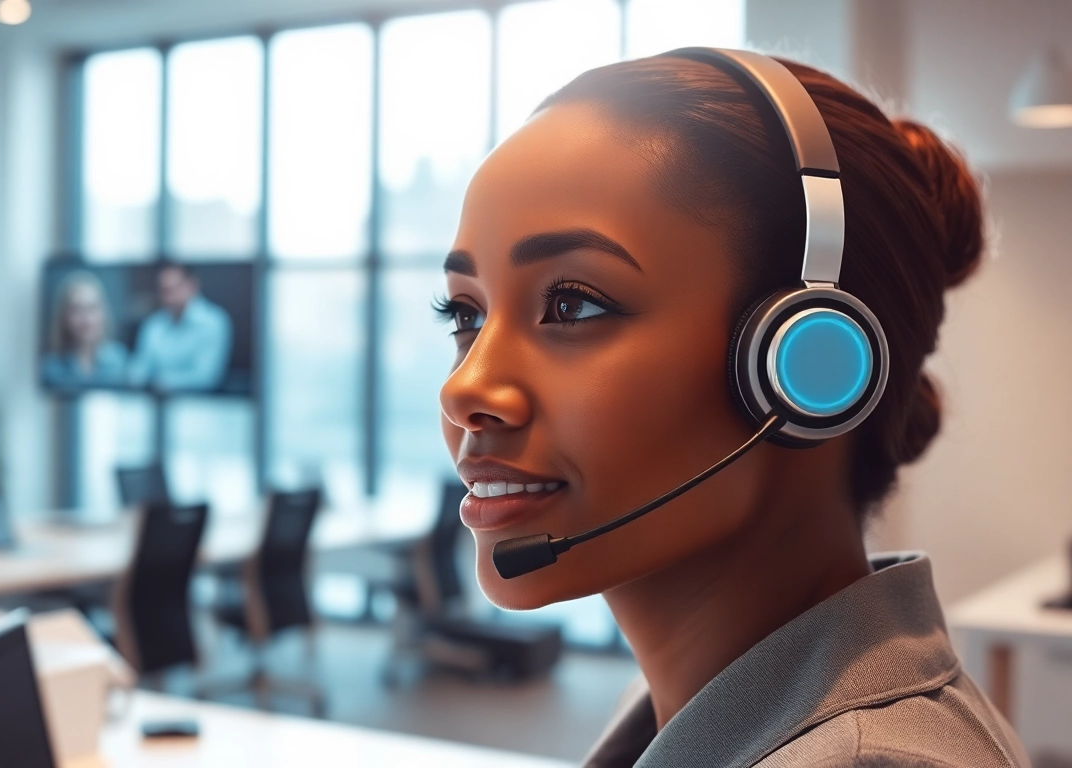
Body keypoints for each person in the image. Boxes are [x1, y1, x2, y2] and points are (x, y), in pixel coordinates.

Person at [436, 49, 1029, 766]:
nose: (464, 388)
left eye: (572, 304)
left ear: (807, 367)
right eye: (465, 315)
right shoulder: (684, 707)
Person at [128, 263, 232, 392]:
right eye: (164, 291)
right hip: (154, 402)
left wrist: (163, 381)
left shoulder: (214, 322)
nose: (170, 298)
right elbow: (140, 368)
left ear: (192, 285)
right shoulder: (153, 324)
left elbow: (207, 378)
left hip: (200, 405)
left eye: (174, 289)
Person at [42, 271, 128, 388]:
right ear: (64, 317)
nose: (86, 319)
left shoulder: (120, 361)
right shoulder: (51, 370)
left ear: (103, 314)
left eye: (92, 308)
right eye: (77, 310)